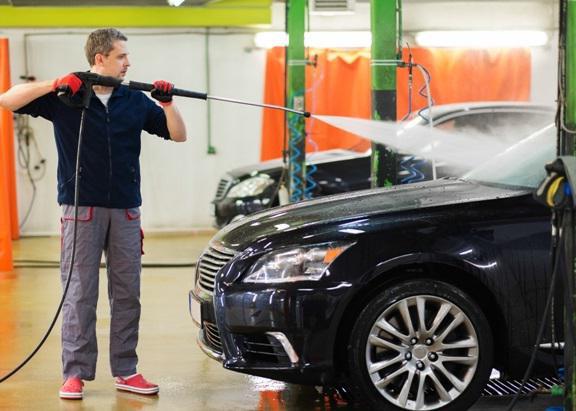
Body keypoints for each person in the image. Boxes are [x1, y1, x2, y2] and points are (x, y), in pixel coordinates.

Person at [0, 28, 187, 399]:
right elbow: (7, 99)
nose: (128, 63)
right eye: (121, 57)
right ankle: (75, 374)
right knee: (79, 293)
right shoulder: (66, 96)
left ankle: (127, 371)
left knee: (127, 294)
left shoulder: (133, 100)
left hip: (126, 211)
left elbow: (178, 135)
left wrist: (168, 104)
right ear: (99, 58)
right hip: (79, 209)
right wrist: (55, 82)